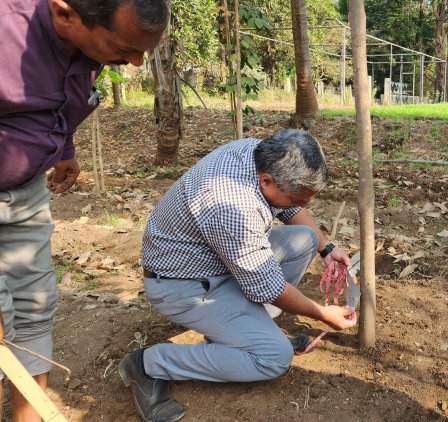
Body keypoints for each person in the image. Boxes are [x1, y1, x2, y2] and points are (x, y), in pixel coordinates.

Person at [0, 0, 168, 419]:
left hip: (25, 193)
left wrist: (62, 149)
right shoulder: (6, 33)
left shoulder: (89, 43)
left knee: (34, 310)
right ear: (64, 14)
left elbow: (62, 100)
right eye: (123, 47)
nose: (133, 62)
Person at [118, 130, 358, 422]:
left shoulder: (257, 152)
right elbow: (268, 287)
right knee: (274, 358)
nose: (304, 206)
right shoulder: (232, 208)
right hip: (184, 284)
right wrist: (323, 313)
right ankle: (149, 364)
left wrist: (327, 248)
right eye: (298, 198)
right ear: (267, 180)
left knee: (304, 239)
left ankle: (247, 331)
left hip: (216, 261)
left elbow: (291, 207)